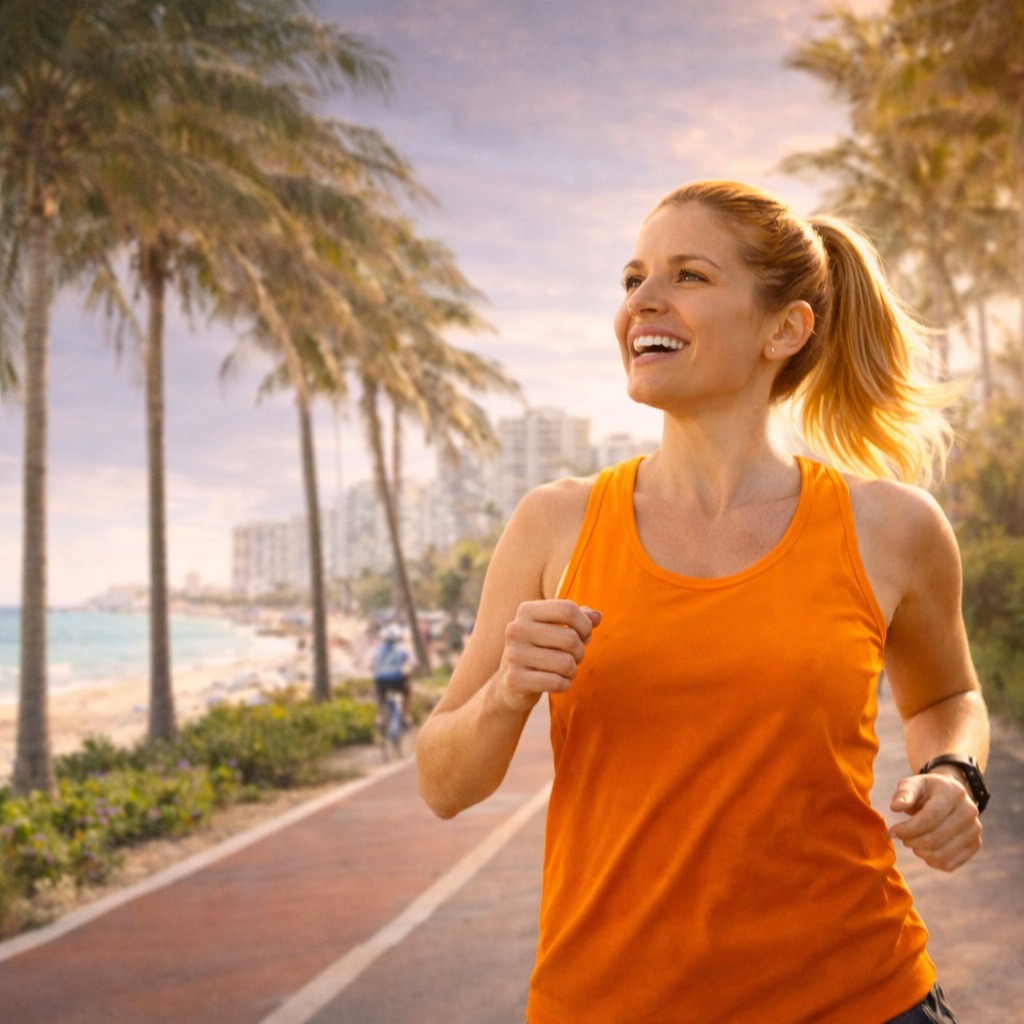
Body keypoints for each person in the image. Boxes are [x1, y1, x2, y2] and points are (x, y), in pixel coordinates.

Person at [416, 180, 991, 1023]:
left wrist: (954, 772)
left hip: (860, 996)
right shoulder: (555, 525)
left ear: (783, 329)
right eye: (632, 278)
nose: (641, 302)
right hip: (605, 1005)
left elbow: (948, 697)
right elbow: (442, 783)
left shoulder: (892, 528)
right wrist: (508, 689)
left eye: (688, 275)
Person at [371, 624, 412, 723]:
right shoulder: (403, 649)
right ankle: (405, 715)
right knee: (408, 691)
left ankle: (380, 715)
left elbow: (372, 663)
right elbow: (411, 663)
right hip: (398, 680)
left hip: (382, 681)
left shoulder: (378, 649)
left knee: (379, 695)